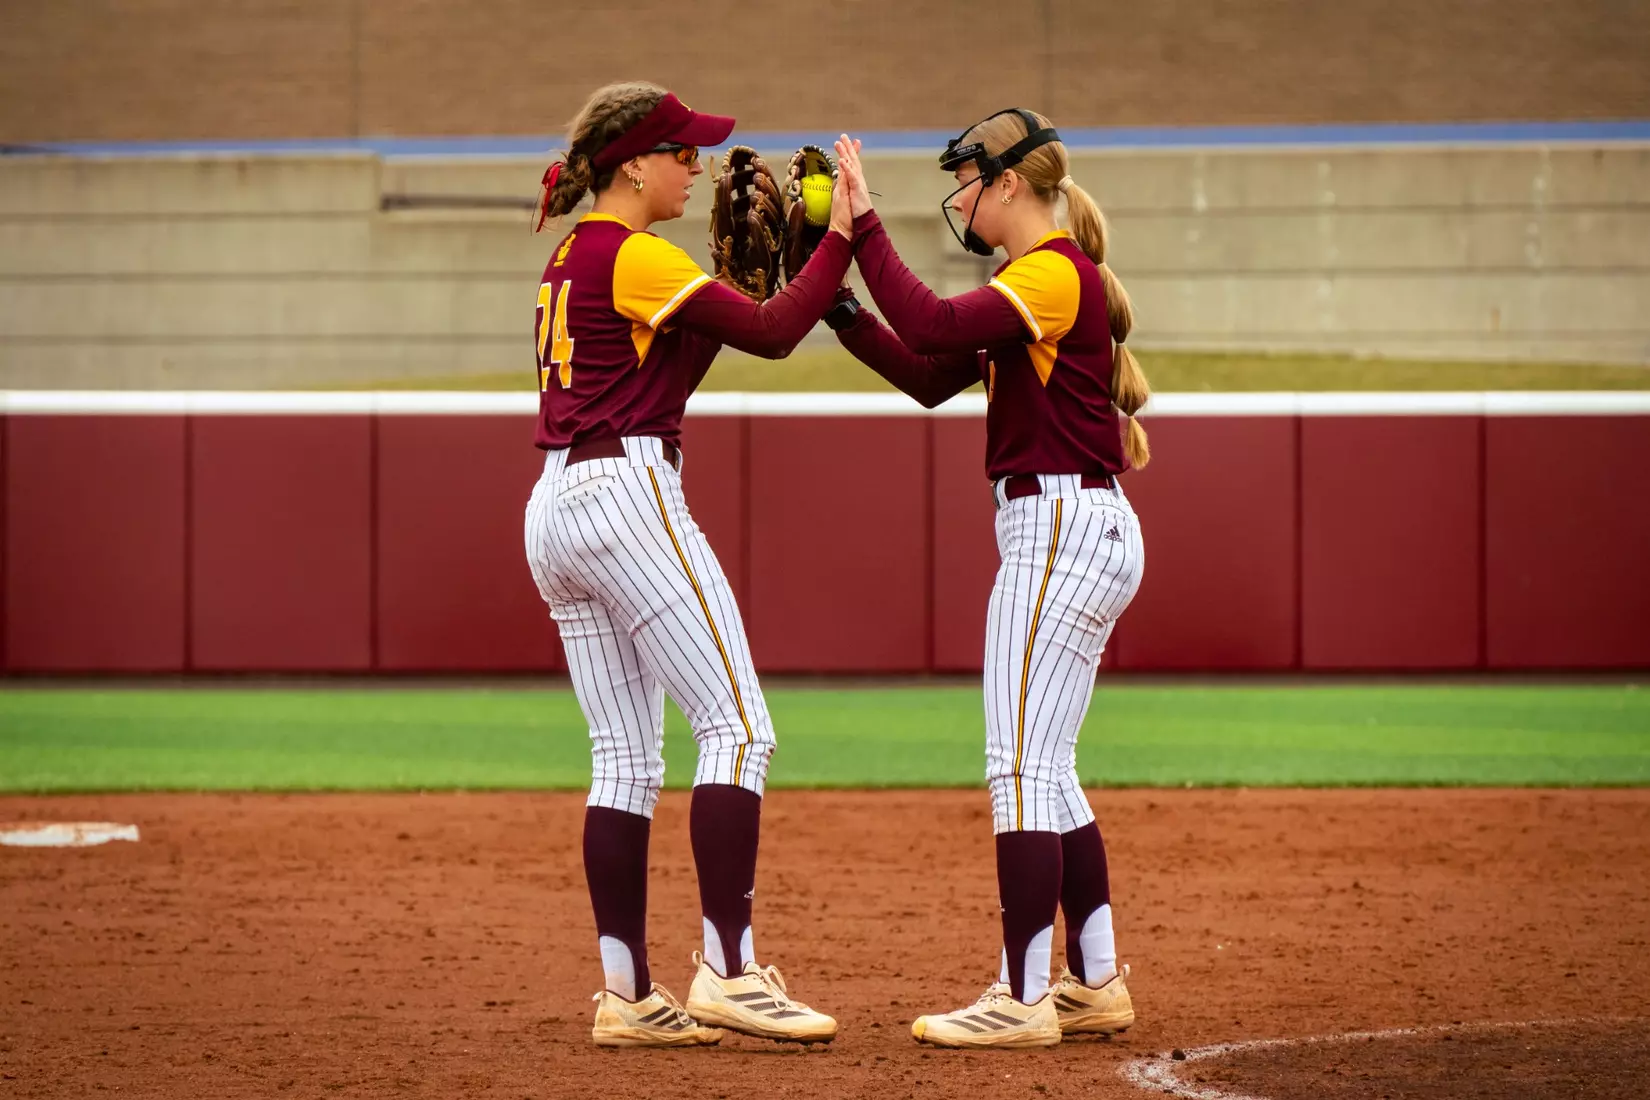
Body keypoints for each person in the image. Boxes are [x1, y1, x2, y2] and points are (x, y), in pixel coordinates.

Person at [523, 81, 862, 1048]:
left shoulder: (573, 255)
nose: (699, 166)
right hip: (624, 497)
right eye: (681, 151)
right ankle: (728, 971)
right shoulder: (632, 254)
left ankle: (627, 998)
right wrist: (836, 233)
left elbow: (677, 366)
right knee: (741, 729)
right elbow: (773, 336)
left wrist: (739, 285)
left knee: (625, 759)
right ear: (632, 163)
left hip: (557, 504)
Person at [822, 114, 1149, 1049]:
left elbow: (928, 320)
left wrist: (864, 227)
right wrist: (840, 306)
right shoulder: (1036, 280)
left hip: (1058, 527)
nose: (960, 195)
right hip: (1072, 523)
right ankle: (1091, 984)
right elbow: (930, 372)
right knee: (1051, 774)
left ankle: (1021, 994)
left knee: (1018, 768)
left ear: (1010, 183)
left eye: (968, 176)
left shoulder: (1048, 271)